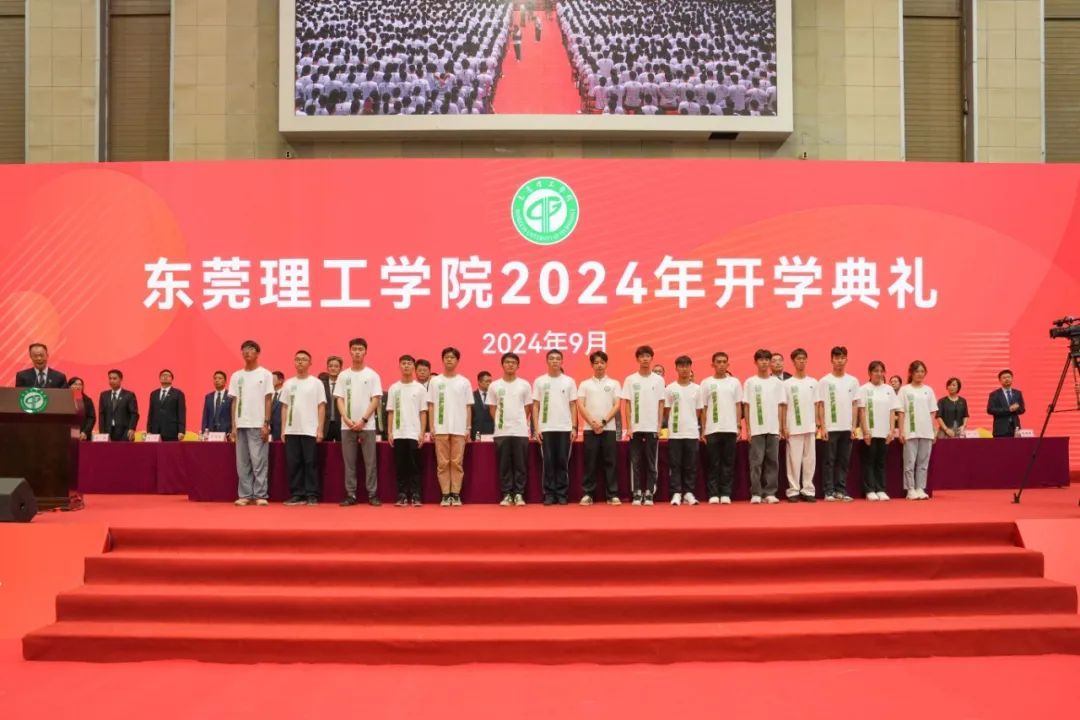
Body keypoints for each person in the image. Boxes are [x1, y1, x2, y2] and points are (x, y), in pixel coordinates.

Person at [335, 338, 382, 507]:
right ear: (350, 351)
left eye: (360, 349)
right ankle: (351, 494)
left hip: (367, 425)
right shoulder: (343, 375)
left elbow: (375, 399)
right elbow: (339, 399)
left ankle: (372, 494)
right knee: (349, 463)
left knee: (370, 462)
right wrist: (346, 419)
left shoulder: (372, 375)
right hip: (347, 425)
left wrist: (363, 419)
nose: (357, 352)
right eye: (354, 349)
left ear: (365, 352)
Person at [229, 340, 274, 507]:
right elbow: (234, 402)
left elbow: (268, 400)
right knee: (242, 463)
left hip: (258, 423)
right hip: (241, 424)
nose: (247, 352)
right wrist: (233, 426)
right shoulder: (236, 376)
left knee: (259, 461)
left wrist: (266, 423)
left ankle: (260, 494)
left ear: (257, 353)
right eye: (244, 349)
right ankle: (245, 495)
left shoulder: (265, 374)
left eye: (251, 349)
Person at [280, 350, 326, 506]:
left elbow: (321, 407)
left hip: (310, 429)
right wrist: (283, 429)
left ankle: (312, 494)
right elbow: (285, 407)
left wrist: (320, 429)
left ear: (310, 363)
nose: (300, 361)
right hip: (291, 430)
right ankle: (297, 494)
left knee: (310, 462)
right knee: (293, 463)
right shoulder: (288, 383)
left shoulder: (316, 383)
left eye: (304, 359)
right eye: (297, 359)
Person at [621, 345, 666, 505]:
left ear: (651, 358)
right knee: (636, 461)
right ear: (637, 359)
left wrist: (659, 426)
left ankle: (649, 492)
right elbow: (627, 404)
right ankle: (637, 492)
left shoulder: (659, 380)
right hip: (636, 427)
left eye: (647, 356)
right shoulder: (630, 379)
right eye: (642, 356)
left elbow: (661, 404)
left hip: (652, 427)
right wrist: (629, 427)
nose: (645, 359)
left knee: (651, 462)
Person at [428, 347, 473, 506]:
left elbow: (468, 406)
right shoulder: (435, 381)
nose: (449, 360)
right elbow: (431, 405)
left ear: (457, 361)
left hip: (459, 429)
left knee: (456, 463)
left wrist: (468, 428)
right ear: (442, 360)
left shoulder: (464, 382)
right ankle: (445, 494)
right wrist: (432, 426)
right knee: (442, 463)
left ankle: (456, 494)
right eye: (446, 357)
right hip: (440, 428)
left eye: (452, 357)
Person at [533, 350, 577, 505]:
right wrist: (536, 428)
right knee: (548, 462)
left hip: (565, 428)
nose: (555, 361)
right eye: (551, 358)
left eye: (558, 358)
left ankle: (562, 493)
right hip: (546, 428)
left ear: (562, 361)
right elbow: (536, 406)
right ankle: (549, 494)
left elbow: (573, 405)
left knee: (562, 462)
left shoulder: (569, 381)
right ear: (547, 361)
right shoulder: (539, 381)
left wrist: (574, 427)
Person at [576, 350, 621, 505]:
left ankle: (612, 494)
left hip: (609, 428)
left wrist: (603, 422)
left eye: (602, 362)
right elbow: (580, 405)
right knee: (590, 463)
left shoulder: (614, 383)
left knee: (610, 462)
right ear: (592, 365)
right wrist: (592, 423)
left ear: (606, 364)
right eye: (596, 362)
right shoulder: (584, 384)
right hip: (590, 429)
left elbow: (617, 405)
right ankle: (588, 494)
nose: (599, 365)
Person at [816, 346, 859, 502]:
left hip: (847, 427)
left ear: (846, 360)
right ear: (831, 360)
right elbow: (821, 405)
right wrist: (823, 427)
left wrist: (853, 426)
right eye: (836, 358)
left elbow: (855, 404)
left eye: (842, 358)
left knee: (843, 461)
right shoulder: (824, 381)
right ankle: (828, 491)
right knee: (829, 460)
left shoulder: (853, 381)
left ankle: (841, 490)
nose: (839, 361)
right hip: (830, 427)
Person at [743, 349, 786, 504]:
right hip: (756, 429)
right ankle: (756, 492)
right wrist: (748, 428)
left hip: (773, 428)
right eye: (761, 360)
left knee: (772, 462)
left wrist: (780, 427)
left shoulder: (777, 383)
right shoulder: (750, 382)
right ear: (756, 362)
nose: (764, 362)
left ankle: (770, 492)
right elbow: (747, 406)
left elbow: (781, 406)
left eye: (767, 360)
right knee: (756, 462)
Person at [490, 352, 533, 506]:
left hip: (520, 431)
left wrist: (518, 421)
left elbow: (528, 407)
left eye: (513, 362)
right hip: (501, 432)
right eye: (507, 362)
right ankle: (507, 494)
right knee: (504, 465)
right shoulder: (495, 385)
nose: (510, 364)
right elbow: (492, 408)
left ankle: (519, 494)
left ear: (518, 365)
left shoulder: (524, 385)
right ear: (502, 365)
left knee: (520, 464)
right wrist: (500, 423)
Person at [700, 351, 742, 504]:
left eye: (724, 362)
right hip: (712, 429)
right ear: (713, 364)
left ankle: (725, 493)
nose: (722, 364)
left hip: (730, 428)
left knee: (728, 463)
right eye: (718, 362)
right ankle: (713, 494)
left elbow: (738, 405)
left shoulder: (734, 382)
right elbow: (703, 408)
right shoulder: (706, 383)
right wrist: (703, 429)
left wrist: (738, 426)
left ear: (728, 364)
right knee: (713, 463)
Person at [387, 355, 428, 507]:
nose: (406, 366)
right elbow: (391, 412)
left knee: (415, 466)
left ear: (413, 367)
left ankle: (416, 495)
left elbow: (423, 412)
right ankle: (402, 495)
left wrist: (422, 433)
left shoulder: (420, 388)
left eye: (409, 363)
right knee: (400, 466)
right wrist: (390, 432)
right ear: (400, 366)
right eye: (403, 363)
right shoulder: (394, 388)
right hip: (398, 433)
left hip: (414, 433)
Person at [858, 361, 900, 501]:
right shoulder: (864, 389)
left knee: (881, 462)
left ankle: (881, 489)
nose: (879, 374)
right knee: (869, 461)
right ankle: (869, 490)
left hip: (884, 432)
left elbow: (892, 411)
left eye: (881, 371)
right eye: (876, 371)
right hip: (870, 432)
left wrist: (891, 430)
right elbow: (862, 411)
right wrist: (865, 431)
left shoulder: (889, 389)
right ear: (870, 373)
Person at [665, 355, 704, 506]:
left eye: (687, 366)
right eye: (681, 366)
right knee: (675, 464)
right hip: (675, 433)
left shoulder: (697, 389)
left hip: (691, 432)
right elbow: (667, 410)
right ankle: (676, 492)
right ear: (676, 368)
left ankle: (688, 492)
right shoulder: (670, 388)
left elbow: (699, 411)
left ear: (690, 368)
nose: (684, 369)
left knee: (691, 465)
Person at [898, 360, 937, 500]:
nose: (920, 374)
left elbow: (932, 412)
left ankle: (920, 488)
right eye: (917, 371)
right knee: (909, 462)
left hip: (926, 431)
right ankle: (910, 489)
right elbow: (901, 412)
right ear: (911, 373)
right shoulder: (904, 390)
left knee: (923, 463)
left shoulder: (929, 390)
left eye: (922, 371)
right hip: (910, 431)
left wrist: (932, 431)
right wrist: (901, 431)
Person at [782, 348, 817, 502]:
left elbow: (817, 404)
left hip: (810, 426)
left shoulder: (813, 382)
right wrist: (784, 426)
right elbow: (783, 406)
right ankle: (793, 490)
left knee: (810, 460)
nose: (801, 361)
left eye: (804, 358)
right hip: (793, 427)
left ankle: (808, 490)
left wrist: (818, 424)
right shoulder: (787, 384)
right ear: (793, 361)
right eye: (798, 359)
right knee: (793, 460)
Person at [98, 369, 138, 442]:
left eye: (114, 378)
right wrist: (101, 432)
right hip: (107, 431)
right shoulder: (104, 395)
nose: (112, 381)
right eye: (110, 378)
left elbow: (134, 414)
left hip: (125, 432)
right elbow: (101, 414)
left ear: (121, 379)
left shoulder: (129, 395)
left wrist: (132, 428)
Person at [146, 369, 186, 441]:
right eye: (163, 375)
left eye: (168, 375)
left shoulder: (178, 393)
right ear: (159, 378)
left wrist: (181, 431)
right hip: (155, 431)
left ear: (172, 379)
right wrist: (148, 430)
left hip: (172, 431)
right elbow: (151, 413)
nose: (165, 377)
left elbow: (181, 413)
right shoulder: (154, 394)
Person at [987, 369, 1025, 437]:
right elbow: (990, 410)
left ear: (1012, 378)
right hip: (1000, 429)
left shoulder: (1017, 393)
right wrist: (1009, 409)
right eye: (1004, 378)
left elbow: (1022, 409)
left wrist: (1017, 408)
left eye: (1008, 377)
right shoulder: (994, 394)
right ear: (1000, 380)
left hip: (1015, 428)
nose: (1007, 379)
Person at [322, 356, 344, 442]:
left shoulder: (345, 385)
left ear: (340, 368)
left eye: (336, 366)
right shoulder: (321, 385)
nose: (333, 368)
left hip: (341, 423)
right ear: (327, 368)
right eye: (330, 366)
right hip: (325, 424)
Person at [473, 371, 495, 436]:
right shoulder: (472, 396)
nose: (489, 383)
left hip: (492, 432)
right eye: (487, 381)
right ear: (479, 382)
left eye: (490, 381)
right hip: (476, 432)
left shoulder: (495, 396)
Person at [269, 371, 285, 441]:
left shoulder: (285, 393)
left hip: (280, 430)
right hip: (269, 431)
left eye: (272, 379)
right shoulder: (269, 394)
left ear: (281, 380)